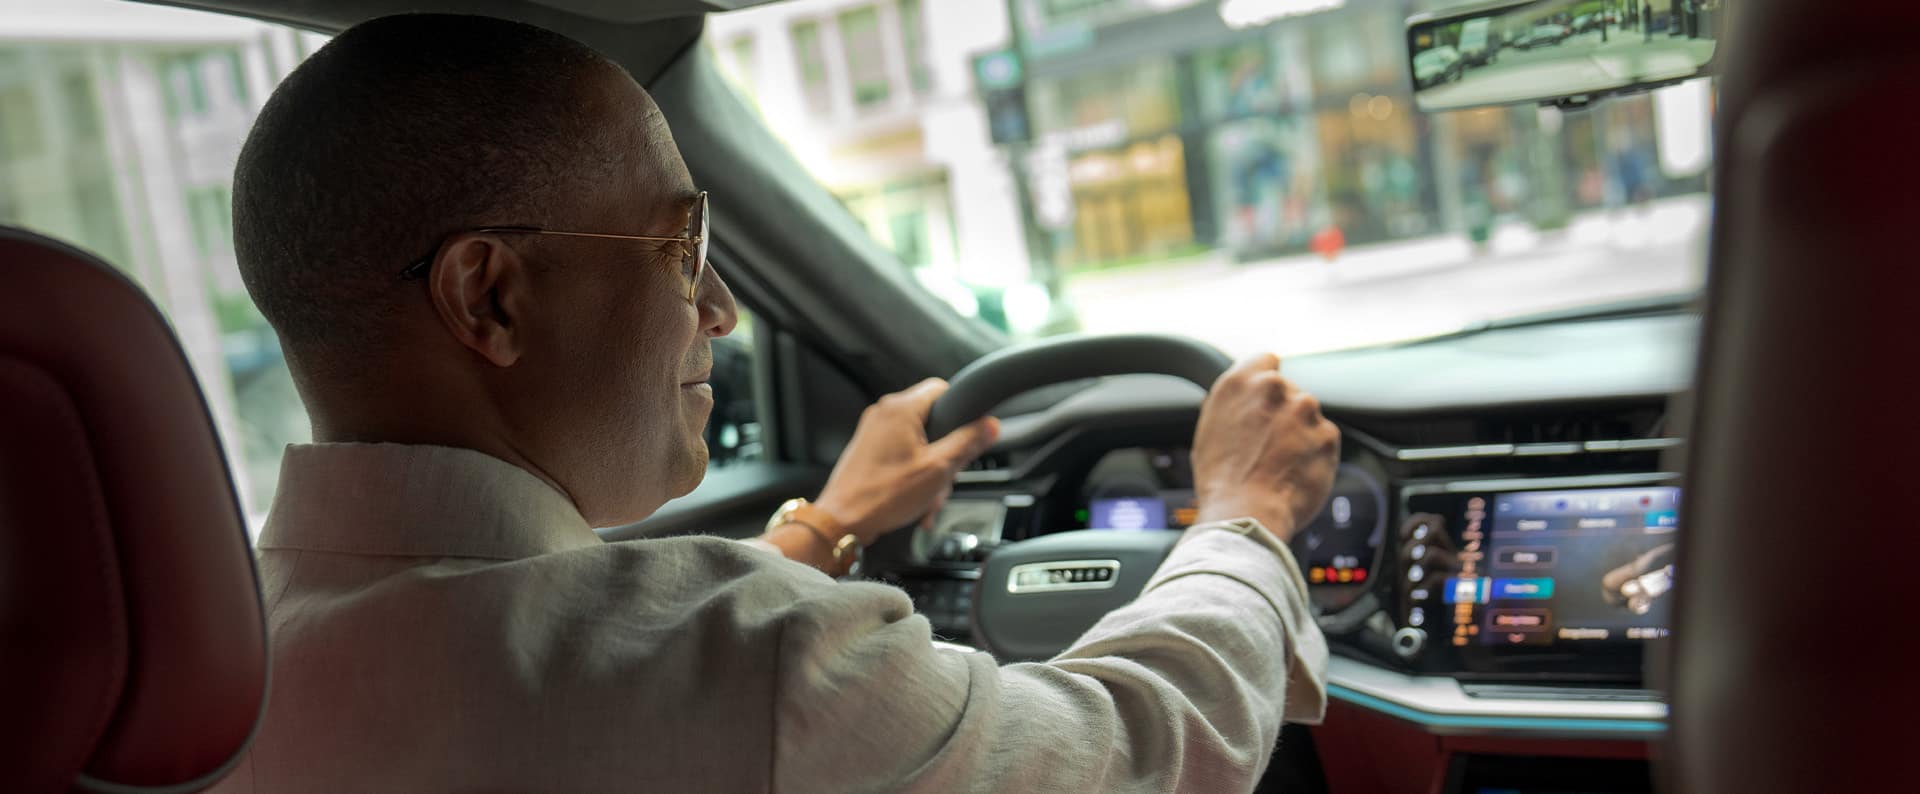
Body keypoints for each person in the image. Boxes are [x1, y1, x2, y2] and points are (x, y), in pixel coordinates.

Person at [213, 14, 1338, 793]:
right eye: (682, 241)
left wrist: (829, 525)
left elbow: (639, 661)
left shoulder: (207, 664)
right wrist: (1245, 515)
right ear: (490, 295)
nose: (723, 307)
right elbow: (1138, 750)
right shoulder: (761, 656)